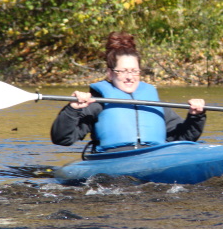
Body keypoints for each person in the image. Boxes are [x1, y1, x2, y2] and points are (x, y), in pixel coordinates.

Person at [51, 31, 206, 155]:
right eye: (123, 71)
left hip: (154, 156)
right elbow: (62, 138)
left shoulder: (152, 102)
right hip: (114, 160)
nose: (130, 77)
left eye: (134, 71)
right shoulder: (96, 103)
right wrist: (73, 109)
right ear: (110, 74)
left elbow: (183, 137)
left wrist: (195, 116)